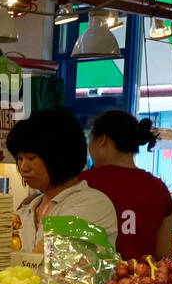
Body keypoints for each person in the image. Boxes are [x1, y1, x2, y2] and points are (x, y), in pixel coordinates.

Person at [7, 107, 118, 254]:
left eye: (31, 158)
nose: (23, 167)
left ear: (59, 157)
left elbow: (44, 259)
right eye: (19, 159)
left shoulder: (92, 204)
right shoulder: (26, 210)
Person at [81, 110, 172, 261]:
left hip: (90, 283)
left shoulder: (82, 183)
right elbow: (164, 256)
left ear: (102, 140)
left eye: (90, 141)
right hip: (142, 281)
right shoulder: (159, 189)